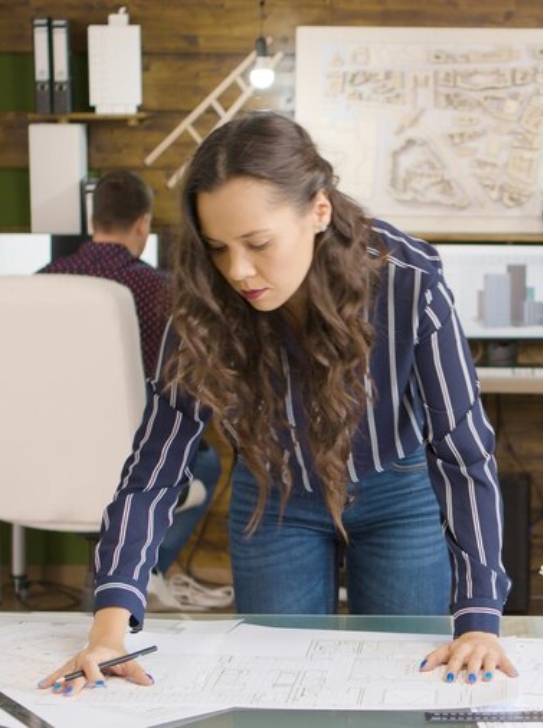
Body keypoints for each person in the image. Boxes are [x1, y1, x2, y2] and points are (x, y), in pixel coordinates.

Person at [41, 111, 516, 694]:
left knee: (404, 690)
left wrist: (479, 619)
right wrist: (109, 632)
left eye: (259, 243)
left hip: (398, 493)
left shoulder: (406, 280)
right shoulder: (202, 301)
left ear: (319, 210)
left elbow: (462, 451)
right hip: (275, 495)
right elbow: (154, 471)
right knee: (278, 689)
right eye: (218, 247)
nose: (238, 271)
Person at [37, 171, 222, 588]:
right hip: (126, 453)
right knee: (206, 463)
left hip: (47, 451)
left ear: (92, 221)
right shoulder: (159, 290)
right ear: (143, 223)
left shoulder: (41, 281)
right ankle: (146, 572)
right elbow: (171, 384)